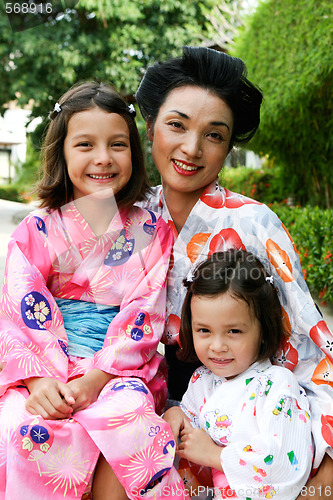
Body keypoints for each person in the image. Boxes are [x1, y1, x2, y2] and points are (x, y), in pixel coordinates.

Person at [135, 46, 333, 498]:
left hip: (250, 404)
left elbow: (309, 343)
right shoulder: (128, 218)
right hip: (148, 400)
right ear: (151, 127)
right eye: (177, 125)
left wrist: (325, 458)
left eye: (214, 135)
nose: (191, 148)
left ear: (228, 146)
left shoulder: (253, 222)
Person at [0, 82, 189, 499]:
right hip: (44, 366)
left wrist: (96, 378)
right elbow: (17, 309)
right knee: (22, 426)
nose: (103, 158)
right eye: (85, 144)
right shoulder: (38, 230)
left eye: (117, 144)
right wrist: (36, 381)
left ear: (134, 154)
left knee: (128, 421)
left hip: (117, 370)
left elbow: (145, 311)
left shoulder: (151, 231)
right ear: (62, 152)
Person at [164, 250, 313, 499]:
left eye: (234, 331)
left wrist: (215, 455)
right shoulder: (202, 380)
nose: (218, 345)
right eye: (204, 330)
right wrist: (176, 414)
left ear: (263, 329)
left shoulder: (277, 384)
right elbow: (192, 436)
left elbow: (286, 465)